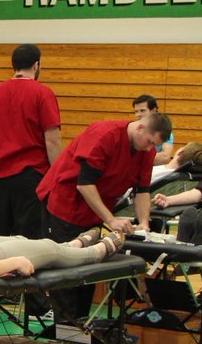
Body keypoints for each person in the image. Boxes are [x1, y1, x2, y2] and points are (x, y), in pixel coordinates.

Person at [36, 110, 171, 319]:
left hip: (94, 213)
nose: (149, 148)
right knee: (65, 273)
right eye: (150, 142)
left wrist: (144, 223)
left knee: (89, 273)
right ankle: (65, 329)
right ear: (140, 127)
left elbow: (142, 190)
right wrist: (111, 219)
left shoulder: (145, 151)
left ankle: (81, 326)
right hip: (67, 205)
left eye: (154, 145)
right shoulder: (104, 135)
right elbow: (84, 184)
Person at [0, 43, 62, 239]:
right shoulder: (42, 93)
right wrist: (57, 177)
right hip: (30, 178)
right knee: (29, 242)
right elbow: (52, 140)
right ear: (37, 65)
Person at [133, 94, 173, 166]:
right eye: (136, 111)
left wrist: (136, 157)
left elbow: (165, 157)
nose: (138, 114)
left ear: (153, 110)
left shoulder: (163, 131)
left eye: (142, 111)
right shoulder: (131, 130)